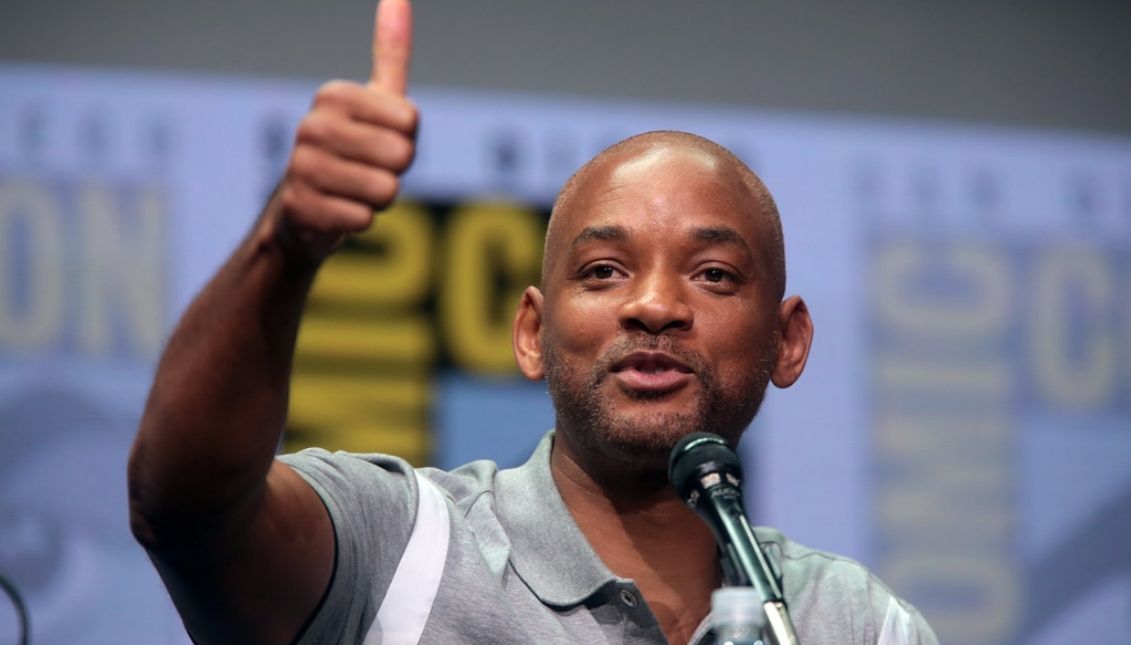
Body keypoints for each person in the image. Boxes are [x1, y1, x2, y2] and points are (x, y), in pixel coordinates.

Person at [127, 1, 938, 643]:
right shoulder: (400, 547)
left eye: (713, 274)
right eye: (602, 271)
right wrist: (284, 245)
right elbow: (188, 506)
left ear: (787, 341)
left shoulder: (853, 625)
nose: (653, 305)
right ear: (529, 333)